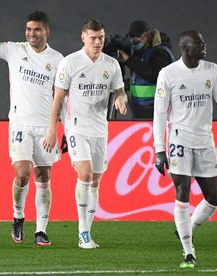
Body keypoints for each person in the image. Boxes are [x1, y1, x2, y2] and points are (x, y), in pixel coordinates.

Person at [0, 7, 63, 246]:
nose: (31, 34)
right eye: (28, 29)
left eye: (36, 30)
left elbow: (62, 97)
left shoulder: (58, 60)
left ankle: (41, 230)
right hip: (20, 124)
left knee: (44, 176)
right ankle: (18, 217)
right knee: (23, 173)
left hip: (45, 126)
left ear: (47, 31)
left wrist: (62, 130)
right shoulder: (14, 50)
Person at [153, 30, 217, 268]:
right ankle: (188, 252)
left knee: (214, 196)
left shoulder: (212, 70)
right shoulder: (168, 74)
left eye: (203, 42)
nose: (204, 46)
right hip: (179, 141)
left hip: (205, 142)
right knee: (183, 192)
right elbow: (159, 114)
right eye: (199, 43)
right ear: (185, 48)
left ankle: (186, 229)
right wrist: (159, 149)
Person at [43, 19, 127, 249]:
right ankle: (82, 232)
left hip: (100, 128)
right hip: (76, 126)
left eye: (101, 37)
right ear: (83, 37)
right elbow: (58, 99)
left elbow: (119, 90)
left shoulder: (111, 64)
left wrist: (121, 98)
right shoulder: (70, 63)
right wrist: (53, 129)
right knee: (86, 173)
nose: (98, 42)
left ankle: (88, 231)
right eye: (94, 38)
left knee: (96, 180)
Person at [118, 20, 174, 119]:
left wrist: (129, 60)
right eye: (133, 39)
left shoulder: (160, 52)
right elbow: (140, 76)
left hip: (157, 107)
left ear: (148, 34)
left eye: (139, 37)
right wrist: (130, 83)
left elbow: (154, 75)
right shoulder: (139, 50)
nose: (136, 41)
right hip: (139, 107)